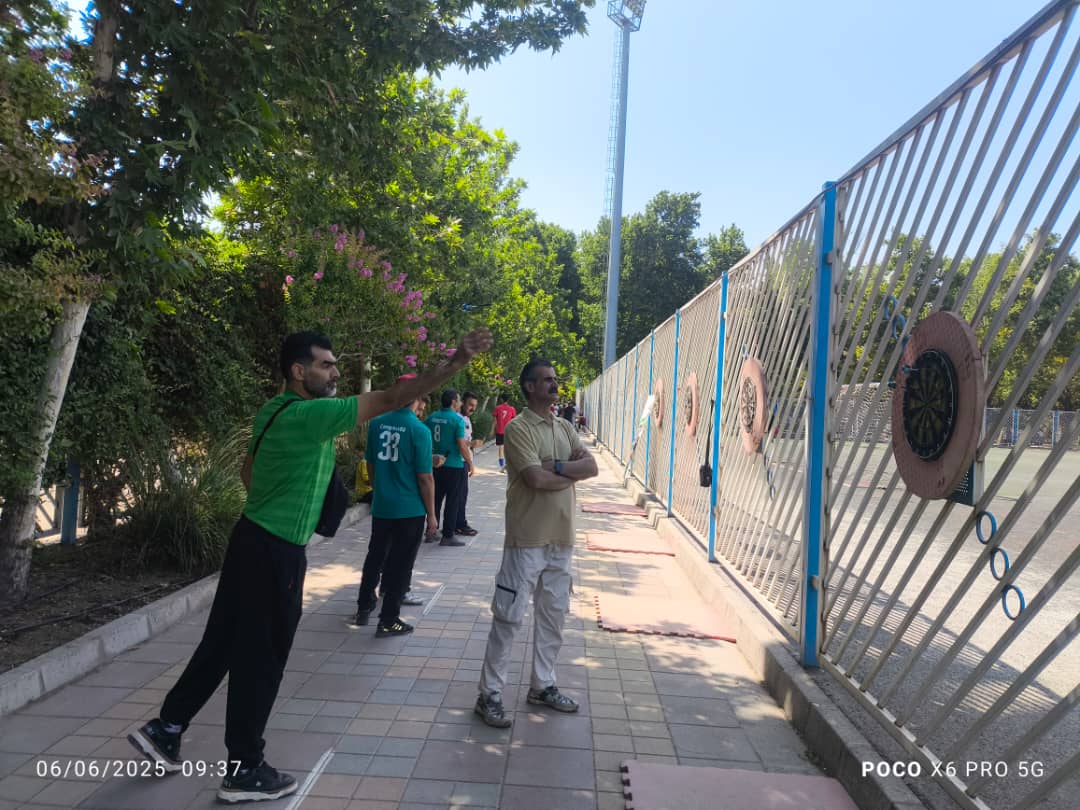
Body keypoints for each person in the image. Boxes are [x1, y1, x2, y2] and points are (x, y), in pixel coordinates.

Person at [128, 328, 492, 803]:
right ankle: (244, 769)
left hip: (249, 540)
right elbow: (392, 397)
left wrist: (280, 496)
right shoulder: (312, 415)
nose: (336, 372)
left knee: (222, 644)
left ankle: (167, 727)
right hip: (275, 553)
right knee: (262, 661)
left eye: (336, 363)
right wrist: (457, 360)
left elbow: (248, 471)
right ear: (298, 371)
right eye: (326, 365)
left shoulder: (273, 409)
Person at [475, 359, 598, 728]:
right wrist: (569, 472)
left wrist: (556, 467)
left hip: (562, 539)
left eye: (555, 379)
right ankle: (489, 694)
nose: (554, 385)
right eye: (546, 380)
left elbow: (591, 468)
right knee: (509, 618)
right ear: (529, 387)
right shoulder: (519, 428)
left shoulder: (564, 427)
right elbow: (534, 480)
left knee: (553, 617)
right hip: (526, 539)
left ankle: (543, 686)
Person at [353, 374, 438, 634]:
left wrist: (380, 489)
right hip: (409, 509)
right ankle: (389, 619)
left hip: (383, 505)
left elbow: (370, 463)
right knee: (401, 564)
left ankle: (364, 606)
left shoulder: (377, 424)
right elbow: (425, 478)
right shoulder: (419, 431)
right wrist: (432, 515)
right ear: (416, 397)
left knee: (375, 556)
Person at [426, 390, 472, 546]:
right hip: (454, 465)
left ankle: (431, 531)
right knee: (453, 501)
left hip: (435, 464)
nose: (460, 403)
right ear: (453, 402)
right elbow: (461, 445)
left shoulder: (432, 417)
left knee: (435, 499)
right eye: (459, 400)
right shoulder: (457, 420)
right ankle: (447, 535)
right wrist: (470, 462)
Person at [455, 391, 480, 537]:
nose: (472, 408)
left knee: (460, 495)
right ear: (462, 403)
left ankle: (456, 524)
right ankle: (459, 524)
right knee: (460, 495)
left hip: (462, 461)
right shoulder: (458, 419)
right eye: (470, 405)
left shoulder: (466, 419)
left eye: (475, 406)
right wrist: (470, 462)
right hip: (460, 461)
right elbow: (461, 442)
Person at [491, 393, 516, 472]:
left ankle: (502, 466)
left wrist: (492, 430)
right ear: (508, 400)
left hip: (500, 431)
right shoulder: (512, 409)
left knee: (501, 448)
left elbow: (494, 421)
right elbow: (513, 421)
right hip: (509, 431)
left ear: (501, 399)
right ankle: (508, 465)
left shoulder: (497, 408)